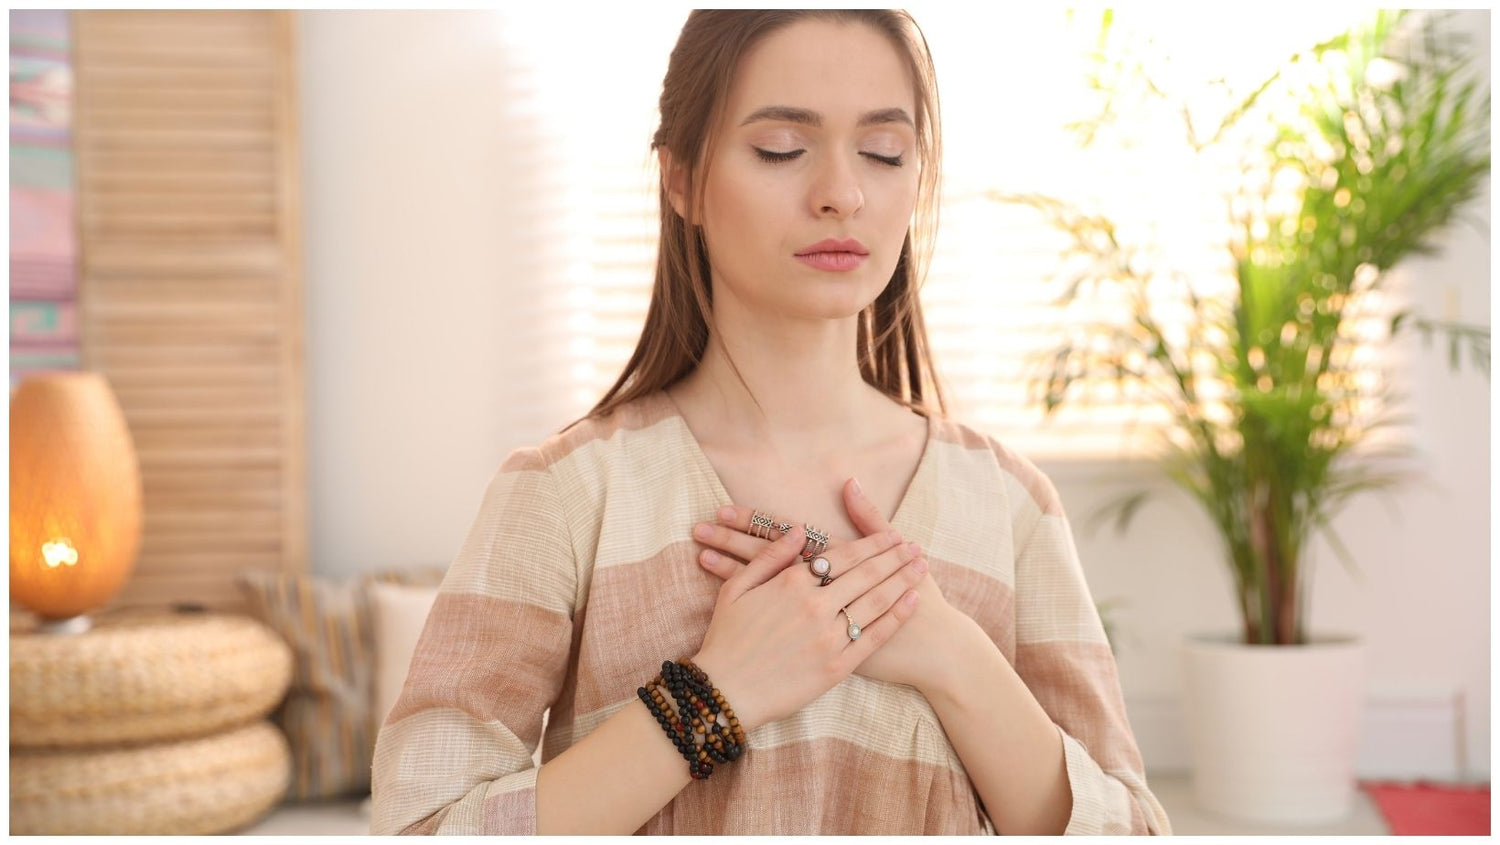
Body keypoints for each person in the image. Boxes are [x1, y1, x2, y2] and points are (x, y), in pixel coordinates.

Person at [371, 9, 1171, 836]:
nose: (842, 192)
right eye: (782, 148)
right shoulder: (566, 494)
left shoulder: (1009, 505)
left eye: (884, 152)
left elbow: (1133, 827)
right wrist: (710, 697)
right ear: (681, 178)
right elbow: (419, 823)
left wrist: (950, 653)